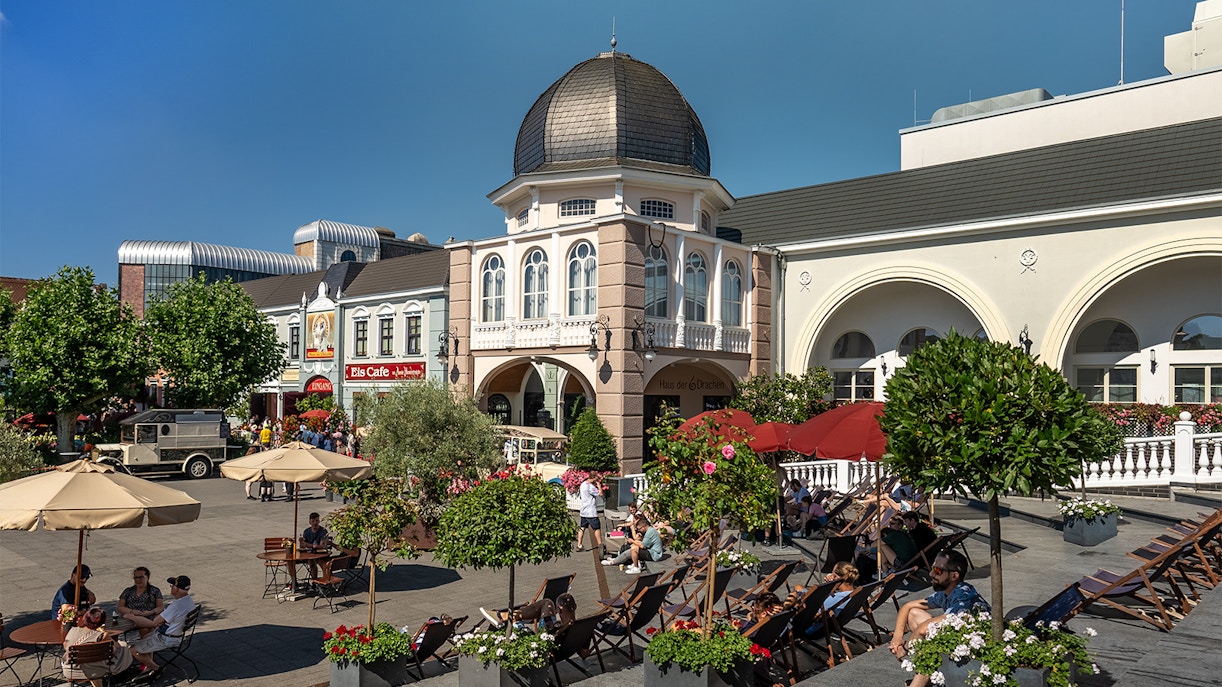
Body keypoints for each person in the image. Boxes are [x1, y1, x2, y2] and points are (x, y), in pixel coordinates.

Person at [890, 551, 989, 687]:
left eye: (937, 570)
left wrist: (905, 649)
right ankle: (929, 677)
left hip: (975, 654)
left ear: (954, 575)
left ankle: (920, 682)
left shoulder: (964, 596)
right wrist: (897, 636)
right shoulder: (946, 592)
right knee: (914, 613)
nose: (931, 574)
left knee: (930, 640)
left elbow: (923, 629)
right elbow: (907, 606)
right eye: (932, 568)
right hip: (958, 641)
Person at [128, 575, 197, 678]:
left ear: (176, 588)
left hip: (166, 639)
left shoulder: (176, 606)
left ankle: (155, 668)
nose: (171, 587)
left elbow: (156, 621)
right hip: (177, 636)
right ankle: (149, 665)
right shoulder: (189, 602)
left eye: (172, 585)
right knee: (145, 635)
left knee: (132, 650)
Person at [62, 607, 135, 686]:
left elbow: (65, 646)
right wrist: (103, 632)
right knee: (123, 646)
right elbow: (116, 648)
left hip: (71, 670)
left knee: (93, 661)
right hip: (96, 671)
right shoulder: (102, 635)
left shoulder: (72, 630)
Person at [480, 592, 578, 633]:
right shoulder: (580, 626)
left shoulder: (568, 626)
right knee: (542, 605)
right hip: (556, 636)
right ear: (575, 606)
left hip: (546, 636)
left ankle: (503, 616)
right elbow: (584, 654)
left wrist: (559, 628)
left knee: (547, 602)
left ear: (559, 610)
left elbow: (554, 635)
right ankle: (510, 616)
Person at [117, 567, 164, 638]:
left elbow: (160, 607)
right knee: (127, 616)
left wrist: (150, 612)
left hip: (149, 616)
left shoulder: (155, 590)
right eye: (136, 577)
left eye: (141, 577)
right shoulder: (128, 591)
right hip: (133, 618)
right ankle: (154, 625)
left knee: (145, 629)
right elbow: (120, 607)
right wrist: (133, 611)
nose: (138, 580)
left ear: (148, 577)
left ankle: (144, 647)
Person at [574, 473, 603, 553]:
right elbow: (600, 494)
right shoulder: (590, 486)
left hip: (584, 510)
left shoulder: (583, 484)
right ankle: (600, 545)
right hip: (591, 512)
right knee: (596, 528)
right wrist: (599, 485)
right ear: (593, 478)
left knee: (582, 527)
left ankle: (579, 544)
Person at [300, 512, 331, 577]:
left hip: (321, 554)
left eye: (317, 521)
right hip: (310, 554)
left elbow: (322, 546)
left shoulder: (323, 531)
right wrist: (302, 544)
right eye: (313, 521)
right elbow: (303, 546)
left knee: (322, 563)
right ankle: (314, 580)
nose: (315, 523)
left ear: (319, 521)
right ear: (310, 522)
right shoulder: (306, 532)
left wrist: (309, 545)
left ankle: (326, 580)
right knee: (311, 562)